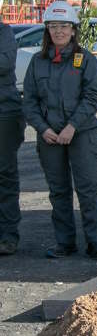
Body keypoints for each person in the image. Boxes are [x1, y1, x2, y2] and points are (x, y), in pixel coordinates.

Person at [21, 2, 97, 260]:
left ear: (73, 30)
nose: (58, 31)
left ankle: (96, 244)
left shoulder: (86, 60)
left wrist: (73, 126)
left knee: (87, 189)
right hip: (49, 137)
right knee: (58, 191)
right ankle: (65, 243)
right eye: (53, 26)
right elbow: (30, 101)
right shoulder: (37, 63)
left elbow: (92, 97)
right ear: (47, 31)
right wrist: (43, 128)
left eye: (64, 26)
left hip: (81, 134)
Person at [0, 20, 20, 256]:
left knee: (4, 173)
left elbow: (4, 63)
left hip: (4, 111)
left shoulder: (4, 32)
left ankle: (8, 236)